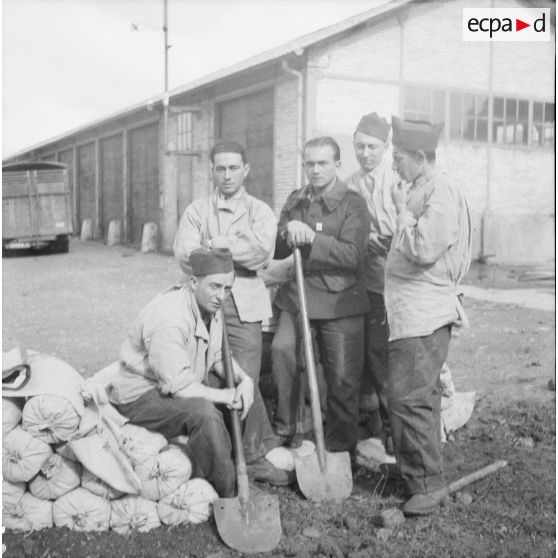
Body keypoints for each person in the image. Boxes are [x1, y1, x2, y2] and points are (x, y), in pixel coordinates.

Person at [109, 248, 293, 497]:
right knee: (203, 412)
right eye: (215, 287)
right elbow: (179, 387)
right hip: (141, 396)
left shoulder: (208, 306)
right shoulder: (170, 318)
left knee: (242, 380)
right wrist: (227, 396)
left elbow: (217, 356)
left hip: (177, 381)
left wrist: (244, 380)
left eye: (227, 289)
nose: (221, 296)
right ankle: (230, 489)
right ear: (194, 282)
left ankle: (252, 459)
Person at [174, 140, 281, 467]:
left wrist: (216, 246)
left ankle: (252, 454)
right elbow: (185, 255)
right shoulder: (196, 210)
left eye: (234, 167)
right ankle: (219, 449)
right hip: (204, 303)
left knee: (245, 375)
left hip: (244, 304)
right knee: (206, 369)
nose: (227, 175)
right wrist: (232, 249)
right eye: (220, 168)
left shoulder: (259, 211)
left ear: (246, 169)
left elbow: (261, 252)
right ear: (212, 171)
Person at [386, 116, 472, 515]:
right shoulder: (423, 187)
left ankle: (426, 484)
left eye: (399, 158)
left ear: (421, 157)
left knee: (409, 397)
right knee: (418, 395)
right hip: (412, 310)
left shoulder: (441, 192)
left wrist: (403, 218)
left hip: (425, 309)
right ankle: (418, 475)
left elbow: (423, 249)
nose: (394, 166)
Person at [272, 136, 370, 456]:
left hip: (340, 298)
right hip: (298, 294)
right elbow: (279, 247)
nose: (314, 170)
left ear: (337, 165)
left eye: (322, 163)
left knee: (342, 376)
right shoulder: (295, 200)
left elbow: (353, 255)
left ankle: (341, 446)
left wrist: (313, 237)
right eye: (309, 164)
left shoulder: (352, 203)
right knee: (284, 349)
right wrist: (288, 231)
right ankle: (290, 429)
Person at [345, 113, 398, 453]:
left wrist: (389, 240)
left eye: (373, 147)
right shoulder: (351, 183)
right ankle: (374, 425)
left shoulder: (398, 181)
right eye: (360, 146)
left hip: (394, 283)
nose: (366, 153)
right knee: (364, 354)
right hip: (361, 280)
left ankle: (397, 431)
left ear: (386, 147)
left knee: (383, 356)